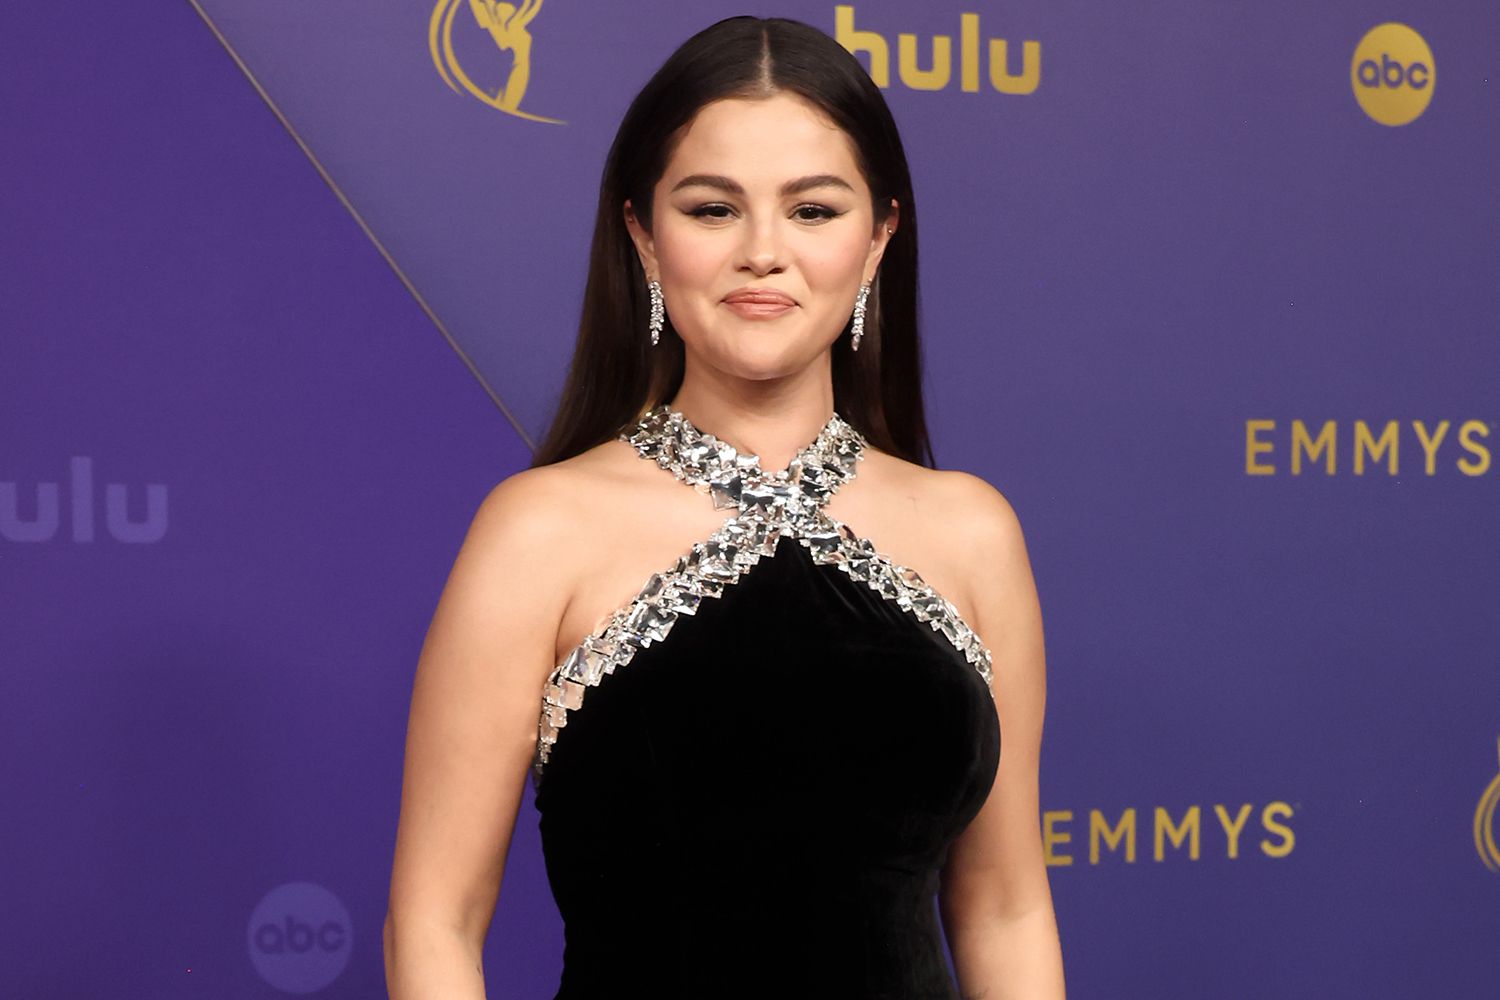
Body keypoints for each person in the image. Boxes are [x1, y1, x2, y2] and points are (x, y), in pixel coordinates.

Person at [384, 14, 1064, 1000]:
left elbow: (1006, 909)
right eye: (712, 209)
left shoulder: (971, 532)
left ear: (878, 239)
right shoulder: (538, 531)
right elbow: (433, 925)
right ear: (644, 236)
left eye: (814, 211)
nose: (763, 252)